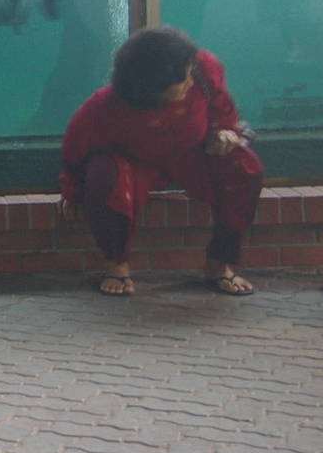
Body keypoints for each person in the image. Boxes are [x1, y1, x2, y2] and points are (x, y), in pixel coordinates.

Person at [58, 26, 263, 297]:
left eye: (190, 74)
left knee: (243, 166)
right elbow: (75, 149)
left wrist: (224, 133)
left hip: (193, 154)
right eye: (181, 82)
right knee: (103, 175)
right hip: (135, 163)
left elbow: (223, 109)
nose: (190, 83)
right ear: (151, 89)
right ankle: (116, 264)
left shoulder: (202, 69)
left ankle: (220, 263)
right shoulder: (105, 107)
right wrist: (71, 192)